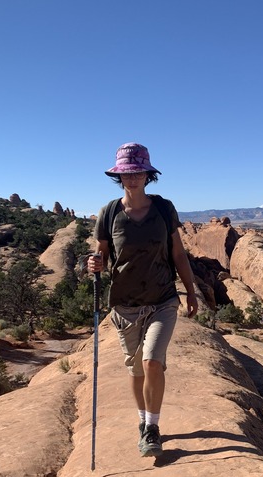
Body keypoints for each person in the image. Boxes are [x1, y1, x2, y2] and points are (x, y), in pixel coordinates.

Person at [88, 142, 198, 458]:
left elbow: (178, 253)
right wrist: (93, 263)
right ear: (119, 177)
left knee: (152, 361)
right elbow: (101, 255)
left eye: (138, 172)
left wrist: (190, 291)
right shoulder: (109, 213)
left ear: (148, 175)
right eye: (127, 173)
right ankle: (142, 421)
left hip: (162, 300)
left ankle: (152, 428)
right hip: (125, 305)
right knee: (136, 370)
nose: (133, 177)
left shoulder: (163, 208)